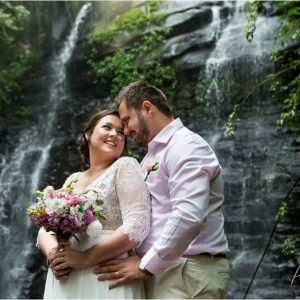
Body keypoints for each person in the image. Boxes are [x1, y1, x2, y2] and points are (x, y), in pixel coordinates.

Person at [94, 81, 230, 299]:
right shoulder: (151, 157)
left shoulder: (187, 146)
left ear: (147, 108)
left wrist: (144, 267)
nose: (126, 131)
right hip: (161, 269)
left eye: (127, 120)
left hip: (187, 270)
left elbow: (188, 216)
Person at [37, 109, 150, 299]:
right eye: (107, 127)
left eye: (121, 132)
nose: (115, 134)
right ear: (88, 134)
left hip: (105, 273)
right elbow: (45, 229)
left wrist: (84, 258)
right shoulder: (73, 179)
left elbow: (137, 224)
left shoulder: (125, 166)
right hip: (67, 275)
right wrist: (54, 257)